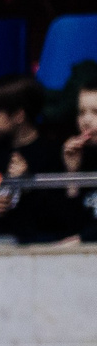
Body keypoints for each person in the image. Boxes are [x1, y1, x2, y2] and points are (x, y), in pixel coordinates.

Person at [0, 73, 79, 246]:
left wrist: (29, 182)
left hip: (42, 251)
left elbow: (63, 219)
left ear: (18, 115)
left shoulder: (54, 154)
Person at [61, 84, 97, 243]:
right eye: (81, 112)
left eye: (96, 112)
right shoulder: (79, 156)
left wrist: (83, 239)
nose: (86, 121)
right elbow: (68, 226)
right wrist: (72, 173)